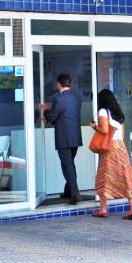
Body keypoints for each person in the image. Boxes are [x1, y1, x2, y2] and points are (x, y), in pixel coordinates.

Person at [90, 89, 132, 220]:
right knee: (125, 175)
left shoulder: (103, 111)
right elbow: (122, 135)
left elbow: (104, 130)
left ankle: (103, 209)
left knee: (104, 175)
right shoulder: (119, 114)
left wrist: (94, 126)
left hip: (110, 146)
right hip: (120, 146)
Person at [44, 73, 83, 205]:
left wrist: (45, 111)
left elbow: (52, 118)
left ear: (59, 84)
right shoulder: (77, 97)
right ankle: (68, 191)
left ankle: (75, 194)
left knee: (67, 166)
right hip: (75, 137)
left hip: (64, 138)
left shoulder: (58, 98)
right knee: (70, 164)